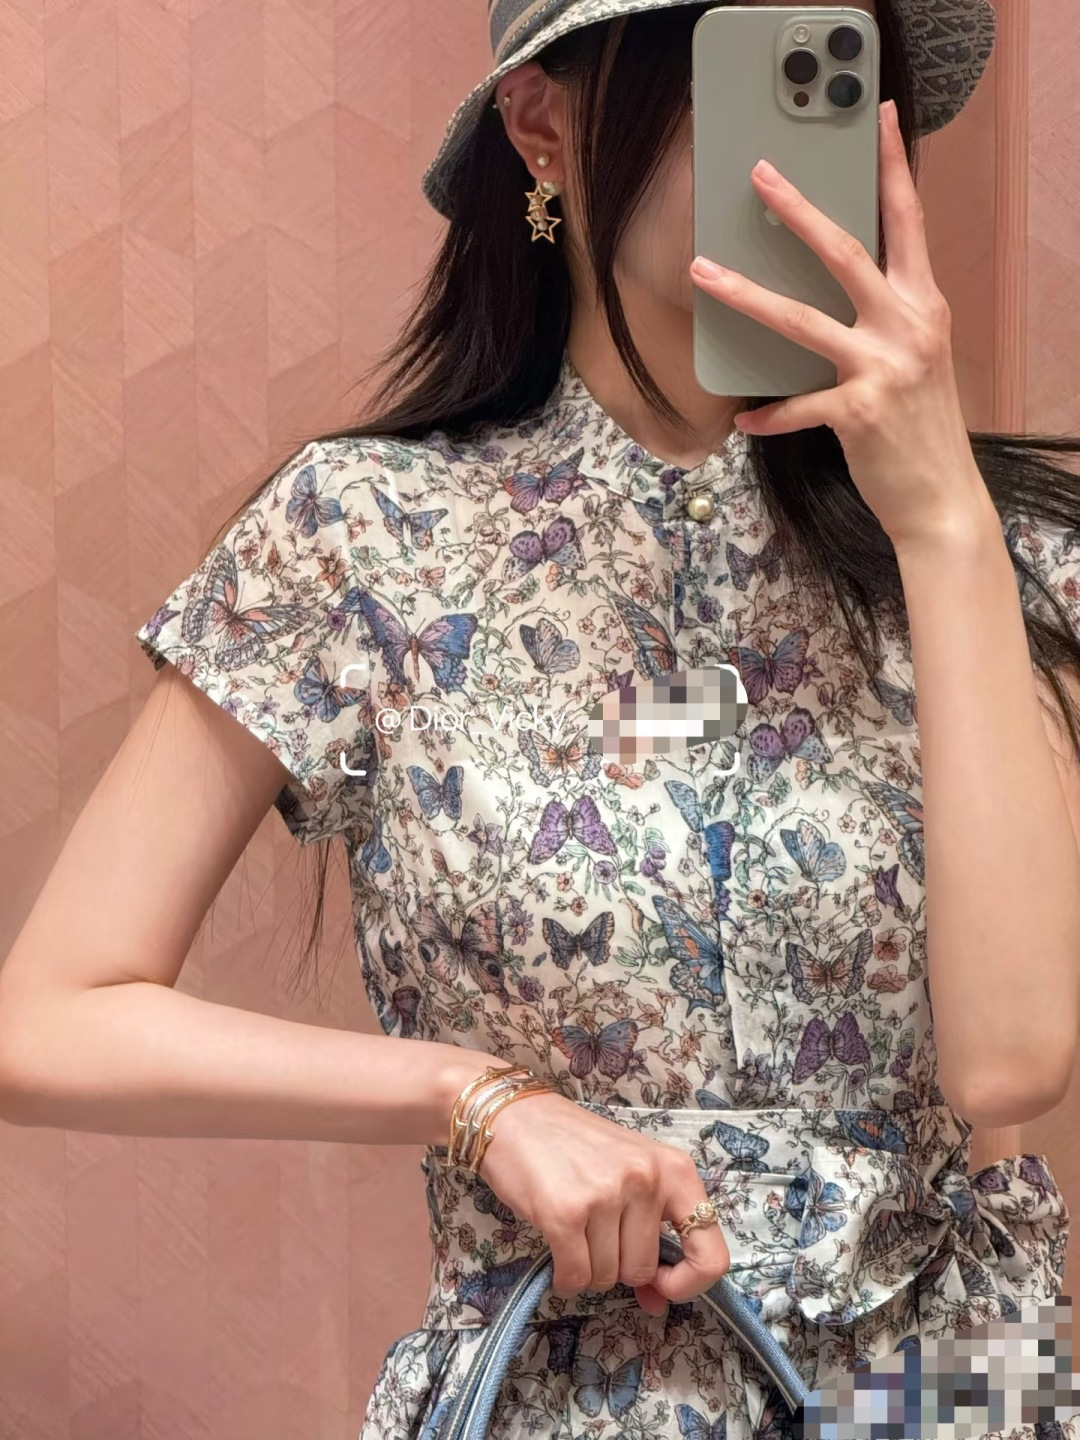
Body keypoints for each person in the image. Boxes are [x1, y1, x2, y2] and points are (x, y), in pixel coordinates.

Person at [3, 0, 1080, 1436]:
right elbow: (50, 1018)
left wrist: (943, 517)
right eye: (737, 64)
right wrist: (477, 1100)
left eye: (831, 67)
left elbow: (1013, 1063)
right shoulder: (363, 536)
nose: (791, 138)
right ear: (544, 125)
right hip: (572, 1392)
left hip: (950, 1392)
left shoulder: (1004, 549)